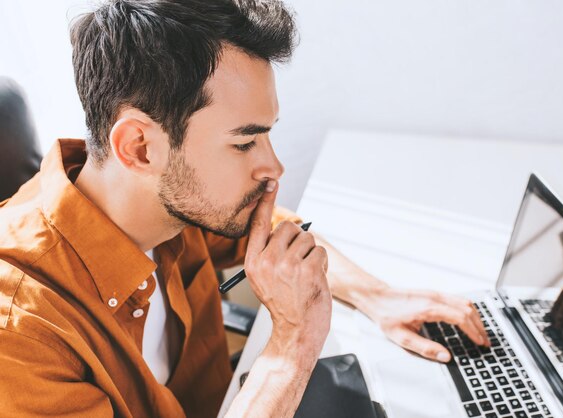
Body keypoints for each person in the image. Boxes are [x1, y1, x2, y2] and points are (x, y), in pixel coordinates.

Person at [0, 1, 489, 416]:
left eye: (267, 134)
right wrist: (293, 343)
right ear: (140, 148)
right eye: (244, 143)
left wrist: (380, 297)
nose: (273, 167)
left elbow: (273, 233)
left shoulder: (172, 201)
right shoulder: (19, 335)